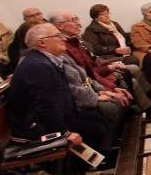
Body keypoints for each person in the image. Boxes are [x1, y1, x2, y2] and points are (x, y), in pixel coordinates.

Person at [7, 22, 111, 152]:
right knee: (95, 129)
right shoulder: (37, 66)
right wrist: (65, 133)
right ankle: (87, 165)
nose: (63, 38)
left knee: (97, 118)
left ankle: (98, 160)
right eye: (57, 36)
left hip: (59, 115)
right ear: (42, 43)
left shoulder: (46, 60)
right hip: (37, 127)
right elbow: (45, 106)